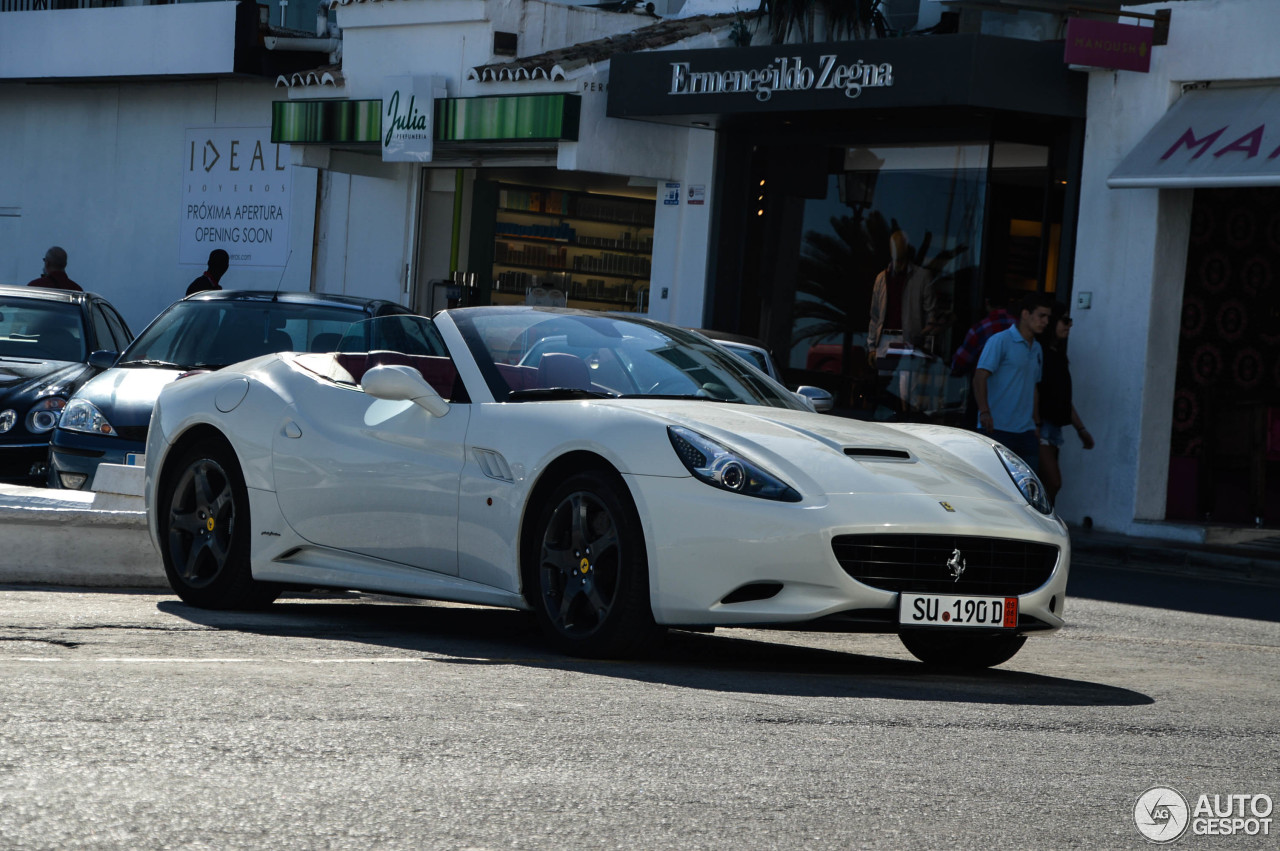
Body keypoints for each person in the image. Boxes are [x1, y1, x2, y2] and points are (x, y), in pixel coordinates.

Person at [973, 292, 1053, 472]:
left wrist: (1036, 423)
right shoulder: (1000, 341)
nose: (1046, 321)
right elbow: (980, 376)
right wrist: (984, 412)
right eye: (1042, 316)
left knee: (1026, 488)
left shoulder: (1037, 347)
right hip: (997, 428)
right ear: (1026, 314)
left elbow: (1033, 386)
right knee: (996, 486)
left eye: (1048, 317)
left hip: (1026, 431)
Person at [1037, 301, 1095, 506]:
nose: (1069, 325)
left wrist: (1081, 428)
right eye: (1065, 320)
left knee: (1047, 484)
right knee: (1052, 482)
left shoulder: (1057, 356)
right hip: (1040, 426)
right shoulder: (1040, 353)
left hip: (1053, 428)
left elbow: (1063, 398)